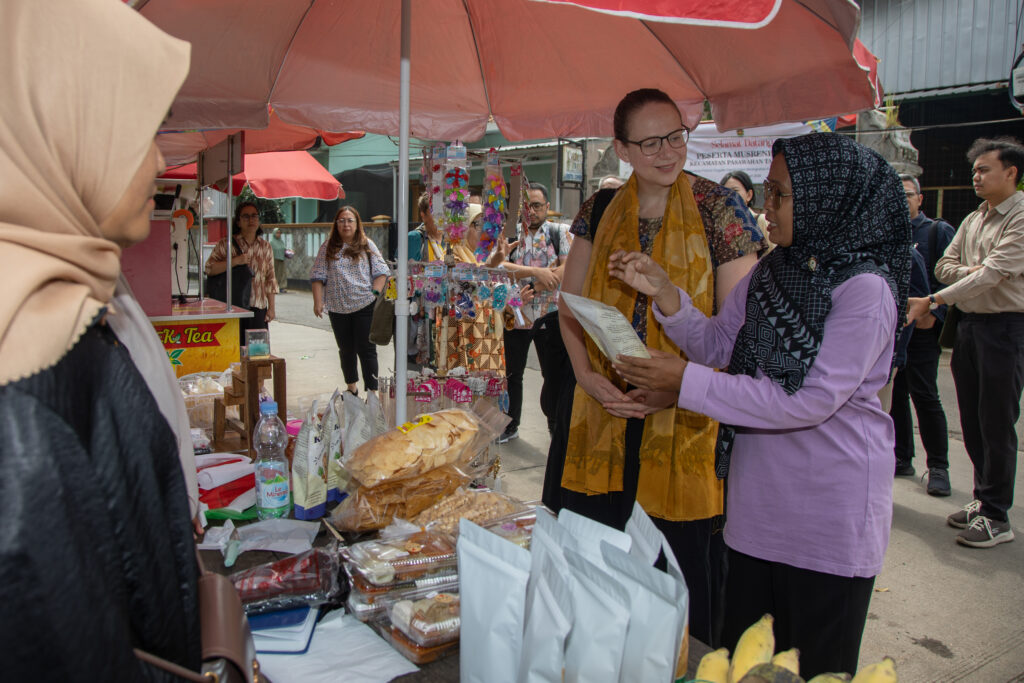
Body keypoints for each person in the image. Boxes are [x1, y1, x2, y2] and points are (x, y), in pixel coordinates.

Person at [610, 132, 910, 676]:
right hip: (756, 514)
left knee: (814, 667)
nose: (765, 209)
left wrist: (686, 383)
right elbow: (720, 343)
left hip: (826, 519)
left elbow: (808, 401)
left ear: (827, 199)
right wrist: (665, 293)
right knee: (742, 665)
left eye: (779, 195)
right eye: (767, 192)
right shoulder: (774, 271)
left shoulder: (865, 291)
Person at [0, 0, 202, 678]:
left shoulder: (69, 308)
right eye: (138, 134)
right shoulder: (25, 374)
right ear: (63, 133)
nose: (156, 163)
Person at [554, 88, 762, 647]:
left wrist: (679, 388)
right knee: (598, 573)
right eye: (650, 142)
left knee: (677, 585)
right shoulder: (599, 210)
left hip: (686, 410)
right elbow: (569, 306)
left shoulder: (721, 209)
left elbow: (740, 337)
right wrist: (584, 375)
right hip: (604, 407)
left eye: (676, 136)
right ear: (621, 147)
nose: (668, 152)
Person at [907, 136, 1024, 549]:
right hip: (970, 325)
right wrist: (976, 272)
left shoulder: (1020, 217)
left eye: (984, 169)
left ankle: (997, 516)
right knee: (973, 420)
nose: (976, 176)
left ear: (1010, 172)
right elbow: (944, 265)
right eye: (974, 169)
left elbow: (993, 275)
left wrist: (938, 296)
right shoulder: (975, 218)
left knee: (996, 421)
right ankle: (983, 498)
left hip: (1006, 328)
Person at [890, 174, 954, 494]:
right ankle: (902, 457)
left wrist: (934, 314)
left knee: (925, 395)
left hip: (925, 332)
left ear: (920, 199)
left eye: (908, 195)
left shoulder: (936, 232)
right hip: (897, 332)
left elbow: (950, 280)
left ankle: (938, 466)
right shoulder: (889, 234)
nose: (902, 201)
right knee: (896, 396)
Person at [499, 182, 571, 442]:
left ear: (547, 208)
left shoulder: (559, 232)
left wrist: (534, 284)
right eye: (527, 206)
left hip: (550, 314)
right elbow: (501, 266)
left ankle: (555, 424)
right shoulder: (511, 233)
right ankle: (510, 424)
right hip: (513, 311)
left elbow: (566, 269)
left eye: (537, 205)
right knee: (511, 373)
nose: (532, 211)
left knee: (552, 373)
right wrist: (536, 273)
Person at [311, 206, 389, 395]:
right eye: (342, 220)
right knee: (345, 350)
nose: (346, 224)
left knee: (367, 349)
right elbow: (317, 275)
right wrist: (318, 301)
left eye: (350, 220)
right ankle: (351, 388)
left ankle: (372, 393)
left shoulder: (366, 244)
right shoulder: (328, 246)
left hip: (364, 305)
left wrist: (375, 294)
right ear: (336, 224)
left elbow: (382, 272)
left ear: (357, 223)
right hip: (338, 308)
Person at [205, 201, 278, 344]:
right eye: (246, 216)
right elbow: (209, 268)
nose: (251, 220)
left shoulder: (265, 247)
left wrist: (271, 308)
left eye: (254, 216)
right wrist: (234, 261)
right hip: (233, 308)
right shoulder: (225, 245)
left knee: (257, 355)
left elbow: (270, 279)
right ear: (238, 222)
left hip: (258, 308)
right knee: (234, 352)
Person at [721, 170, 771, 248]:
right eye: (725, 192)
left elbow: (774, 255)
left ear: (749, 195)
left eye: (735, 191)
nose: (729, 196)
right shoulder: (721, 226)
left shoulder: (760, 221)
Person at [270, 227, 288, 292]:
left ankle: (282, 287)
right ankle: (274, 286)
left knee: (282, 273)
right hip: (275, 259)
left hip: (281, 259)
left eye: (280, 233)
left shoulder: (281, 242)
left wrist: (288, 251)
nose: (279, 234)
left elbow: (284, 248)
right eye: (277, 233)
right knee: (275, 273)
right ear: (274, 233)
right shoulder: (271, 242)